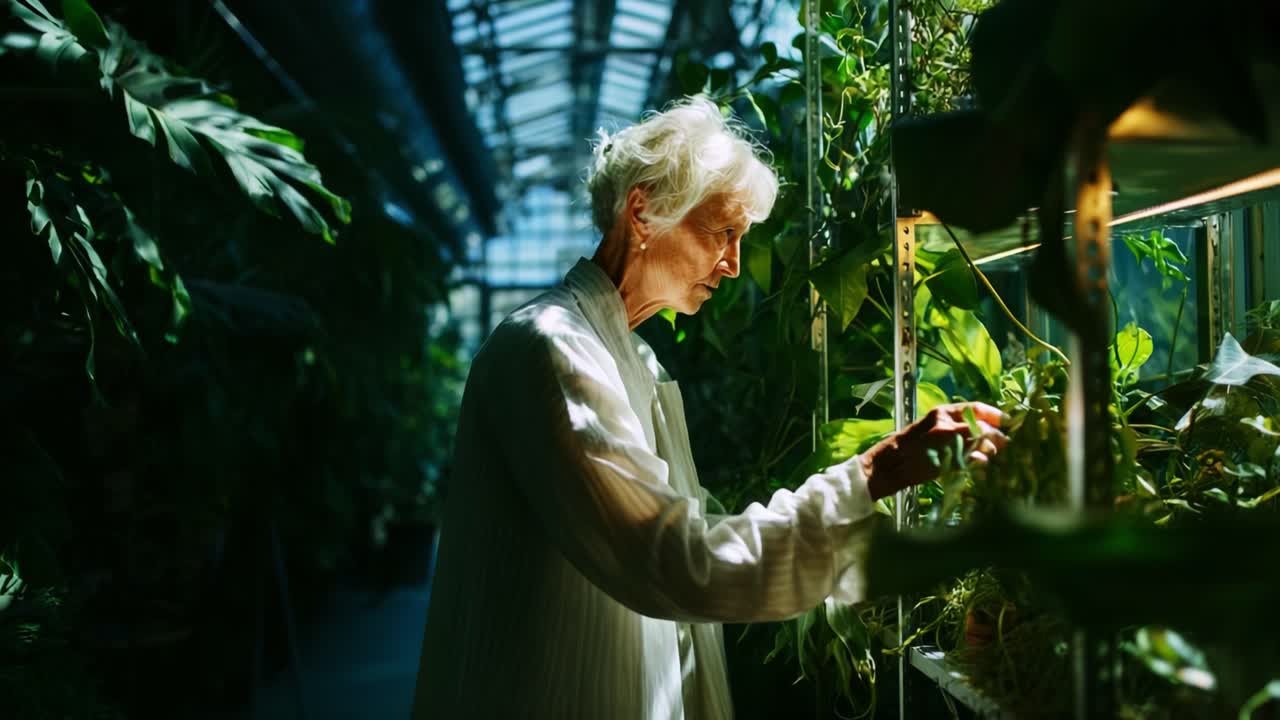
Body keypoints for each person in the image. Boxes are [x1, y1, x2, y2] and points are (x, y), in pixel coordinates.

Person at [411, 97, 1005, 719]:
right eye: (723, 233)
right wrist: (874, 472)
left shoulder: (631, 359)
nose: (735, 263)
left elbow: (688, 545)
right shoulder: (552, 348)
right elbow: (673, 560)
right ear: (642, 213)